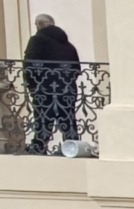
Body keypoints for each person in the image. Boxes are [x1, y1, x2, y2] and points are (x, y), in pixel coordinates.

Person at [23, 14, 80, 154]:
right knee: (68, 122)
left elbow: (29, 65)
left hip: (44, 89)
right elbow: (76, 70)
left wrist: (31, 86)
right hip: (67, 90)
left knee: (43, 120)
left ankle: (38, 148)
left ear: (39, 25)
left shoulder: (37, 40)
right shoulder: (69, 45)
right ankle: (73, 148)